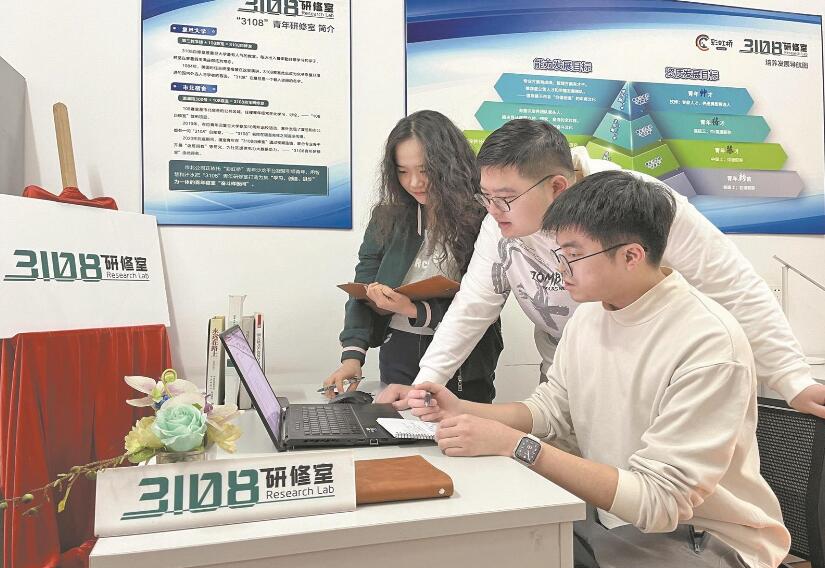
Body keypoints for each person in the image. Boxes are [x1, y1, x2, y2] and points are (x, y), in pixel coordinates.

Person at [407, 171, 790, 568]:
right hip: (616, 524)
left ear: (631, 256)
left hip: (705, 541)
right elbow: (552, 409)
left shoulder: (708, 342)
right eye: (559, 254)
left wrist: (516, 445)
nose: (561, 270)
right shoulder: (591, 315)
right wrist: (463, 410)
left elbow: (659, 502)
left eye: (573, 255)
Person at [377, 119, 825, 419]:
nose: (492, 210)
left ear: (558, 187)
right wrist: (427, 384)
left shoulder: (636, 204)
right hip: (565, 375)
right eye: (486, 197)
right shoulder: (503, 218)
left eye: (505, 199)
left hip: (650, 375)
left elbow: (732, 283)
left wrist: (791, 377)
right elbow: (474, 305)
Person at [324, 110, 502, 402]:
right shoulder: (389, 217)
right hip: (400, 348)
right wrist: (352, 357)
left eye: (425, 170)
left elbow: (484, 303)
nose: (414, 182)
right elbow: (363, 287)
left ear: (450, 165)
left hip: (465, 357)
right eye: (403, 171)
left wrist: (413, 309)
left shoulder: (482, 217)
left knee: (458, 426)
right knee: (399, 424)